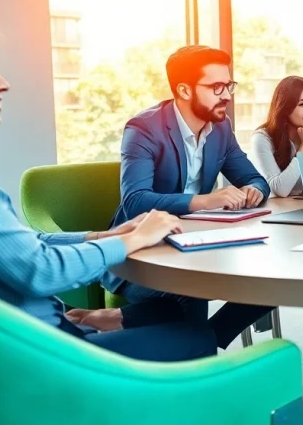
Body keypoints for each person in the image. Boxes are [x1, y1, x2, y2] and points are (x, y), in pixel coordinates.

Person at [0, 8, 213, 362]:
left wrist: (102, 237)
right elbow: (39, 270)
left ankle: (110, 326)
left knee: (176, 314)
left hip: (35, 331)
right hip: (36, 352)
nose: (3, 83)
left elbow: (20, 246)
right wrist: (131, 240)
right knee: (197, 336)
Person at [77, 45, 275, 352]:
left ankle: (130, 322)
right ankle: (199, 360)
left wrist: (254, 191)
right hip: (143, 253)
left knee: (269, 279)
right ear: (183, 89)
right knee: (193, 291)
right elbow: (136, 200)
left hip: (200, 244)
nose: (227, 95)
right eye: (216, 87)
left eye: (229, 85)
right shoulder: (144, 129)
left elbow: (255, 178)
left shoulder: (220, 127)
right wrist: (205, 200)